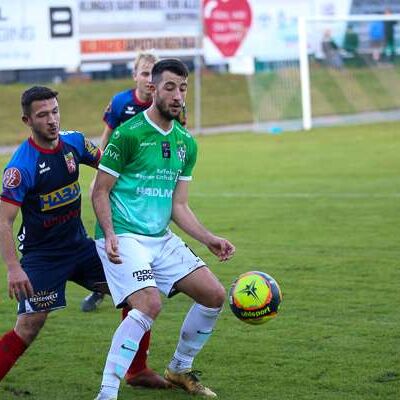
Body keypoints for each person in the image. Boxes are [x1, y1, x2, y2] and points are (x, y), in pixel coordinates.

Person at [92, 58, 235, 400]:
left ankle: (179, 368)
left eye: (182, 88)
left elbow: (178, 205)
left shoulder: (186, 143)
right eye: (169, 87)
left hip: (159, 238)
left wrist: (209, 238)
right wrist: (109, 234)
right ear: (153, 88)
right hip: (123, 234)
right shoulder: (128, 134)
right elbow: (99, 191)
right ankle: (107, 392)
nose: (177, 95)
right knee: (148, 304)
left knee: (213, 295)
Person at [0, 86, 107, 382]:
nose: (52, 120)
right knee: (28, 327)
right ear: (27, 121)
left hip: (81, 248)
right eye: (43, 115)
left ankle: (137, 371)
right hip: (43, 257)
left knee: (138, 294)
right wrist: (13, 268)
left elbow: (109, 166)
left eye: (55, 112)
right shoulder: (21, 167)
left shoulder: (75, 143)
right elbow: (4, 221)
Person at [80, 51, 172, 390]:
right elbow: (106, 140)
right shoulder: (121, 103)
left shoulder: (169, 104)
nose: (149, 79)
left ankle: (135, 367)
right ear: (135, 75)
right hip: (120, 192)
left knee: (142, 288)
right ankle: (100, 288)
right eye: (144, 72)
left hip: (147, 197)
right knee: (134, 279)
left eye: (153, 73)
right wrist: (100, 174)